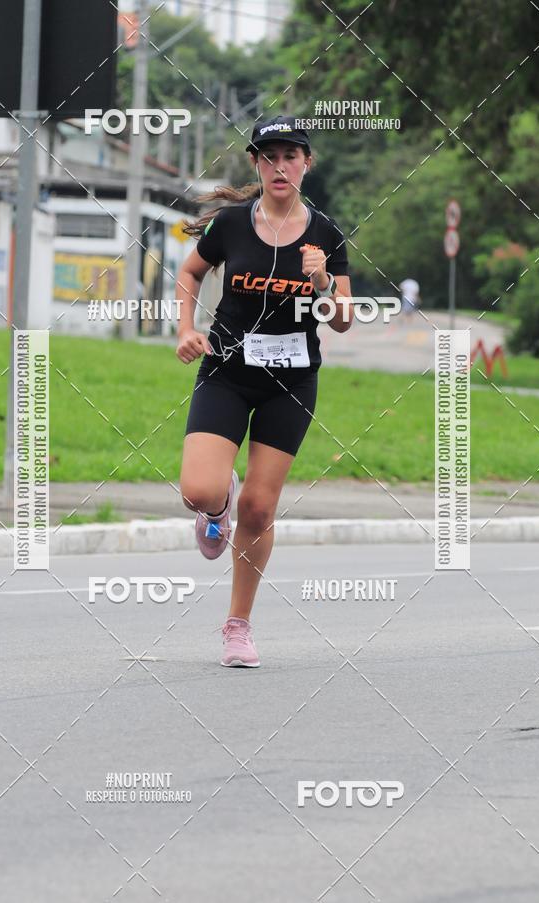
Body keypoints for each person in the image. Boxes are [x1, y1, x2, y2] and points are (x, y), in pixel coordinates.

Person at [175, 115, 353, 668]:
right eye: (269, 156)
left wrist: (323, 282)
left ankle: (237, 625)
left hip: (291, 382)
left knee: (260, 508)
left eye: (291, 155)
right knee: (198, 491)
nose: (280, 166)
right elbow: (189, 273)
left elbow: (344, 320)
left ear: (306, 163)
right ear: (256, 164)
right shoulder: (230, 224)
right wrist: (185, 328)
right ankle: (216, 505)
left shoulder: (326, 233)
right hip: (227, 369)